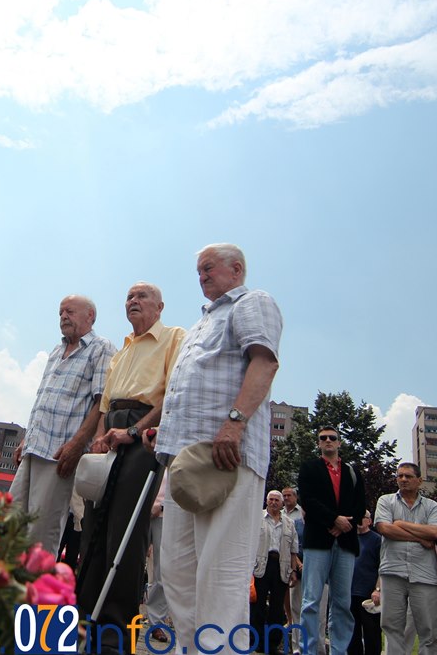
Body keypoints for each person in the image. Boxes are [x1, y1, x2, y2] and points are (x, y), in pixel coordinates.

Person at [156, 243, 283, 655]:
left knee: (221, 573)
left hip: (226, 455)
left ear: (237, 268)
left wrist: (235, 422)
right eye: (198, 270)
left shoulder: (251, 301)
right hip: (185, 461)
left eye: (208, 268)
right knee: (177, 571)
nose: (202, 276)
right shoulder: (201, 322)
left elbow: (264, 362)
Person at [77, 282, 184, 654]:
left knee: (125, 532)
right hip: (111, 435)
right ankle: (84, 621)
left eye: (142, 297)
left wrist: (134, 431)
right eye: (129, 297)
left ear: (160, 306)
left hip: (143, 435)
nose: (133, 301)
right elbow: (105, 404)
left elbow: (172, 394)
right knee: (94, 528)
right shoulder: (121, 351)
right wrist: (101, 436)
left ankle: (114, 635)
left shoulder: (173, 337)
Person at [10, 295, 116, 556]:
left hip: (59, 453)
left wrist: (77, 445)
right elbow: (44, 398)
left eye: (69, 311)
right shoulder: (56, 352)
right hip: (34, 448)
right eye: (60, 312)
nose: (63, 317)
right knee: (11, 523)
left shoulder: (101, 348)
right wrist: (26, 438)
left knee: (41, 533)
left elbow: (101, 402)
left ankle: (37, 583)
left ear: (90, 316)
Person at [297, 425, 367, 655]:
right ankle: (308, 650)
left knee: (342, 603)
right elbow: (307, 500)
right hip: (318, 541)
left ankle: (339, 651)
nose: (328, 440)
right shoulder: (309, 468)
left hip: (345, 542)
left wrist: (345, 523)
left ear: (339, 442)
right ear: (318, 443)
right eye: (323, 438)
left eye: (332, 437)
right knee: (311, 600)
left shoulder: (352, 471)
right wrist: (333, 520)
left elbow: (360, 504)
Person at [374, 462, 437, 655]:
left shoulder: (432, 506)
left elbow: (435, 532)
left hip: (424, 574)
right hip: (392, 571)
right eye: (400, 476)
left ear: (419, 480)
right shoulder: (386, 501)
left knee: (428, 629)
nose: (403, 479)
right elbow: (385, 529)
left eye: (408, 476)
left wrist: (400, 524)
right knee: (392, 626)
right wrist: (420, 538)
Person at [251, 490, 300, 654]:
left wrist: (293, 571)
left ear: (281, 503)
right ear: (266, 501)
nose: (273, 502)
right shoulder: (257, 518)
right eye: (271, 499)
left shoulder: (289, 523)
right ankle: (256, 641)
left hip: (281, 566)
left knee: (277, 608)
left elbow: (293, 549)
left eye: (276, 500)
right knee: (258, 605)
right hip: (261, 565)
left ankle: (272, 644)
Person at [348, 510, 381, 655]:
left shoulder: (376, 540)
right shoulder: (349, 538)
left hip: (368, 594)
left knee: (371, 632)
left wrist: (378, 589)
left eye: (364, 517)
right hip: (350, 591)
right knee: (352, 633)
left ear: (370, 521)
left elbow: (382, 567)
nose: (360, 520)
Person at [145, 477, 170, 642]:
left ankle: (156, 622)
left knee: (163, 571)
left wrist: (161, 505)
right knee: (128, 565)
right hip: (140, 509)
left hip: (164, 515)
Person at [283, 486, 306, 655]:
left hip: (313, 570)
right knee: (295, 606)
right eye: (283, 495)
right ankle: (297, 647)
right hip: (294, 568)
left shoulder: (301, 515)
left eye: (289, 495)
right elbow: (292, 546)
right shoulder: (291, 521)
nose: (286, 498)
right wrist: (297, 564)